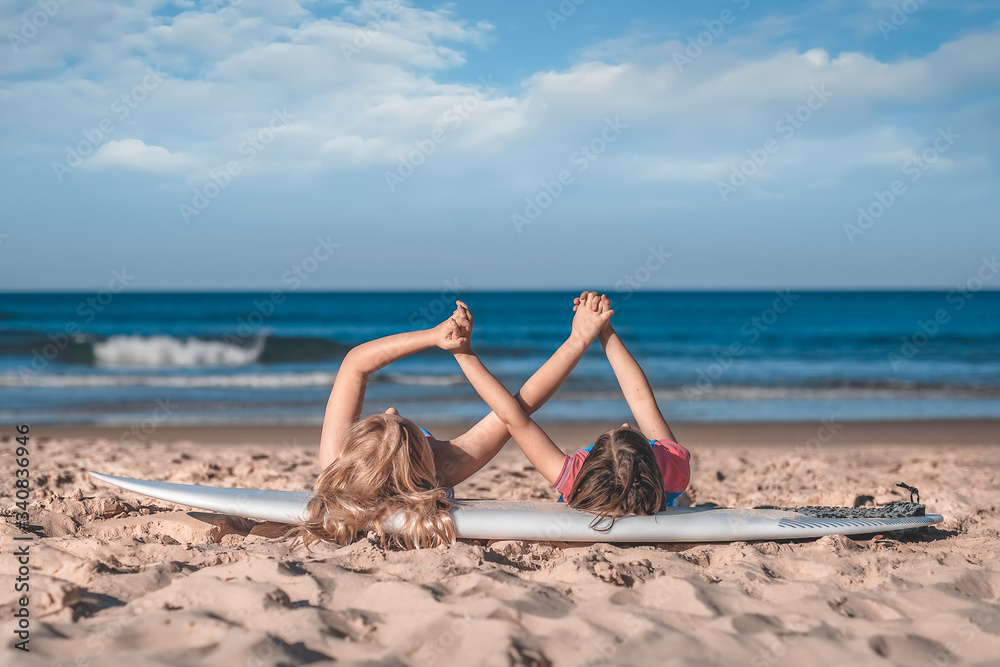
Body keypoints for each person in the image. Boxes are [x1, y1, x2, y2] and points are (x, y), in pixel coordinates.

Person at [292, 292, 614, 548]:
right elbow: (520, 406)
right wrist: (579, 340)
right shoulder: (441, 464)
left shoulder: (338, 461)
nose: (391, 409)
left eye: (380, 418)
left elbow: (354, 364)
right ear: (421, 453)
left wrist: (434, 337)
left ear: (354, 452)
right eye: (401, 423)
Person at [450, 295, 690, 530]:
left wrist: (463, 352)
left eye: (615, 432)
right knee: (677, 496)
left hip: (623, 496)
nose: (627, 424)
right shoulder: (674, 465)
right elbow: (641, 400)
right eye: (634, 434)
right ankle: (679, 501)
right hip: (655, 499)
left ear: (589, 460)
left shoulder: (576, 477)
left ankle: (679, 500)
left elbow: (514, 417)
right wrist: (605, 329)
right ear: (653, 460)